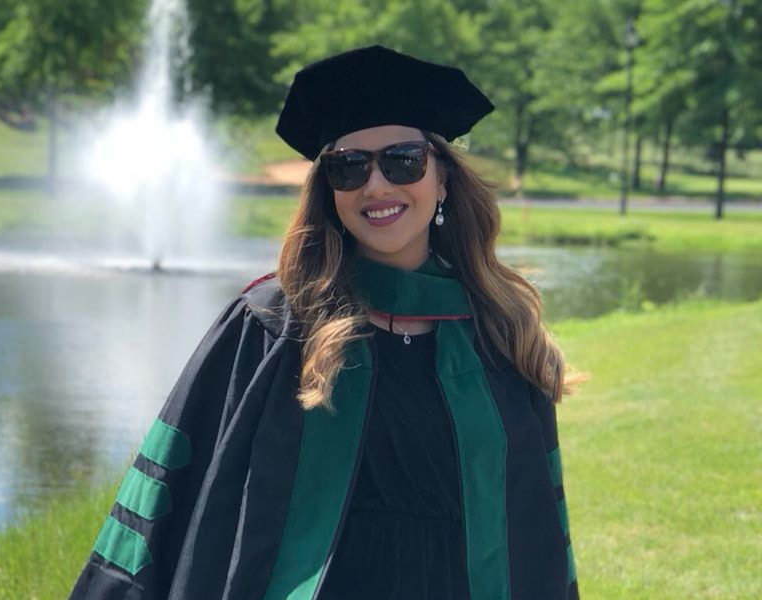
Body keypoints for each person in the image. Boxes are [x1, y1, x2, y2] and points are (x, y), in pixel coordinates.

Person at [68, 45, 579, 600]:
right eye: (349, 167)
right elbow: (173, 486)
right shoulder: (270, 328)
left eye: (403, 160)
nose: (377, 186)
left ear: (443, 179)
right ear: (328, 191)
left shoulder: (500, 332)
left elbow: (539, 526)